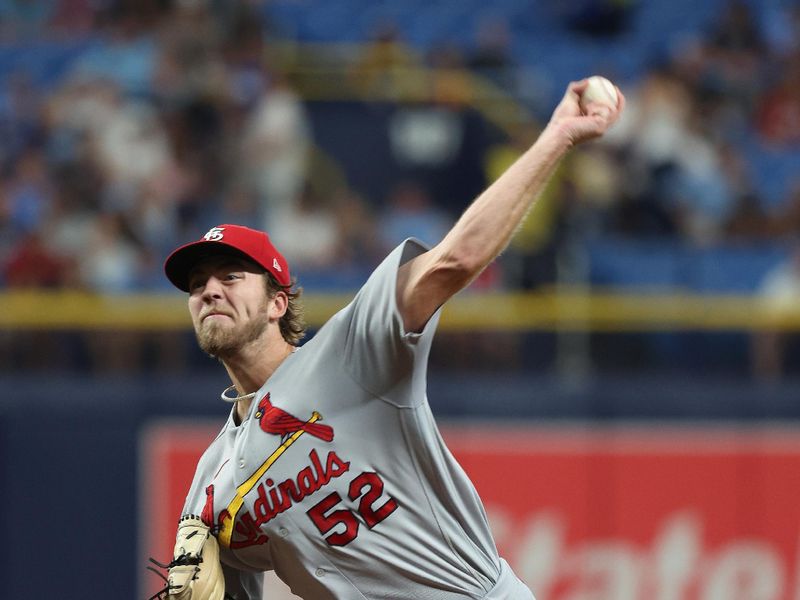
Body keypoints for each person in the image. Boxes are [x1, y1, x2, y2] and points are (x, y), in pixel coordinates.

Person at [159, 77, 624, 599]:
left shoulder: (349, 354)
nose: (209, 292)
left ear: (277, 303)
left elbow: (455, 260)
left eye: (230, 277)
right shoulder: (209, 488)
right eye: (197, 285)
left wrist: (555, 138)